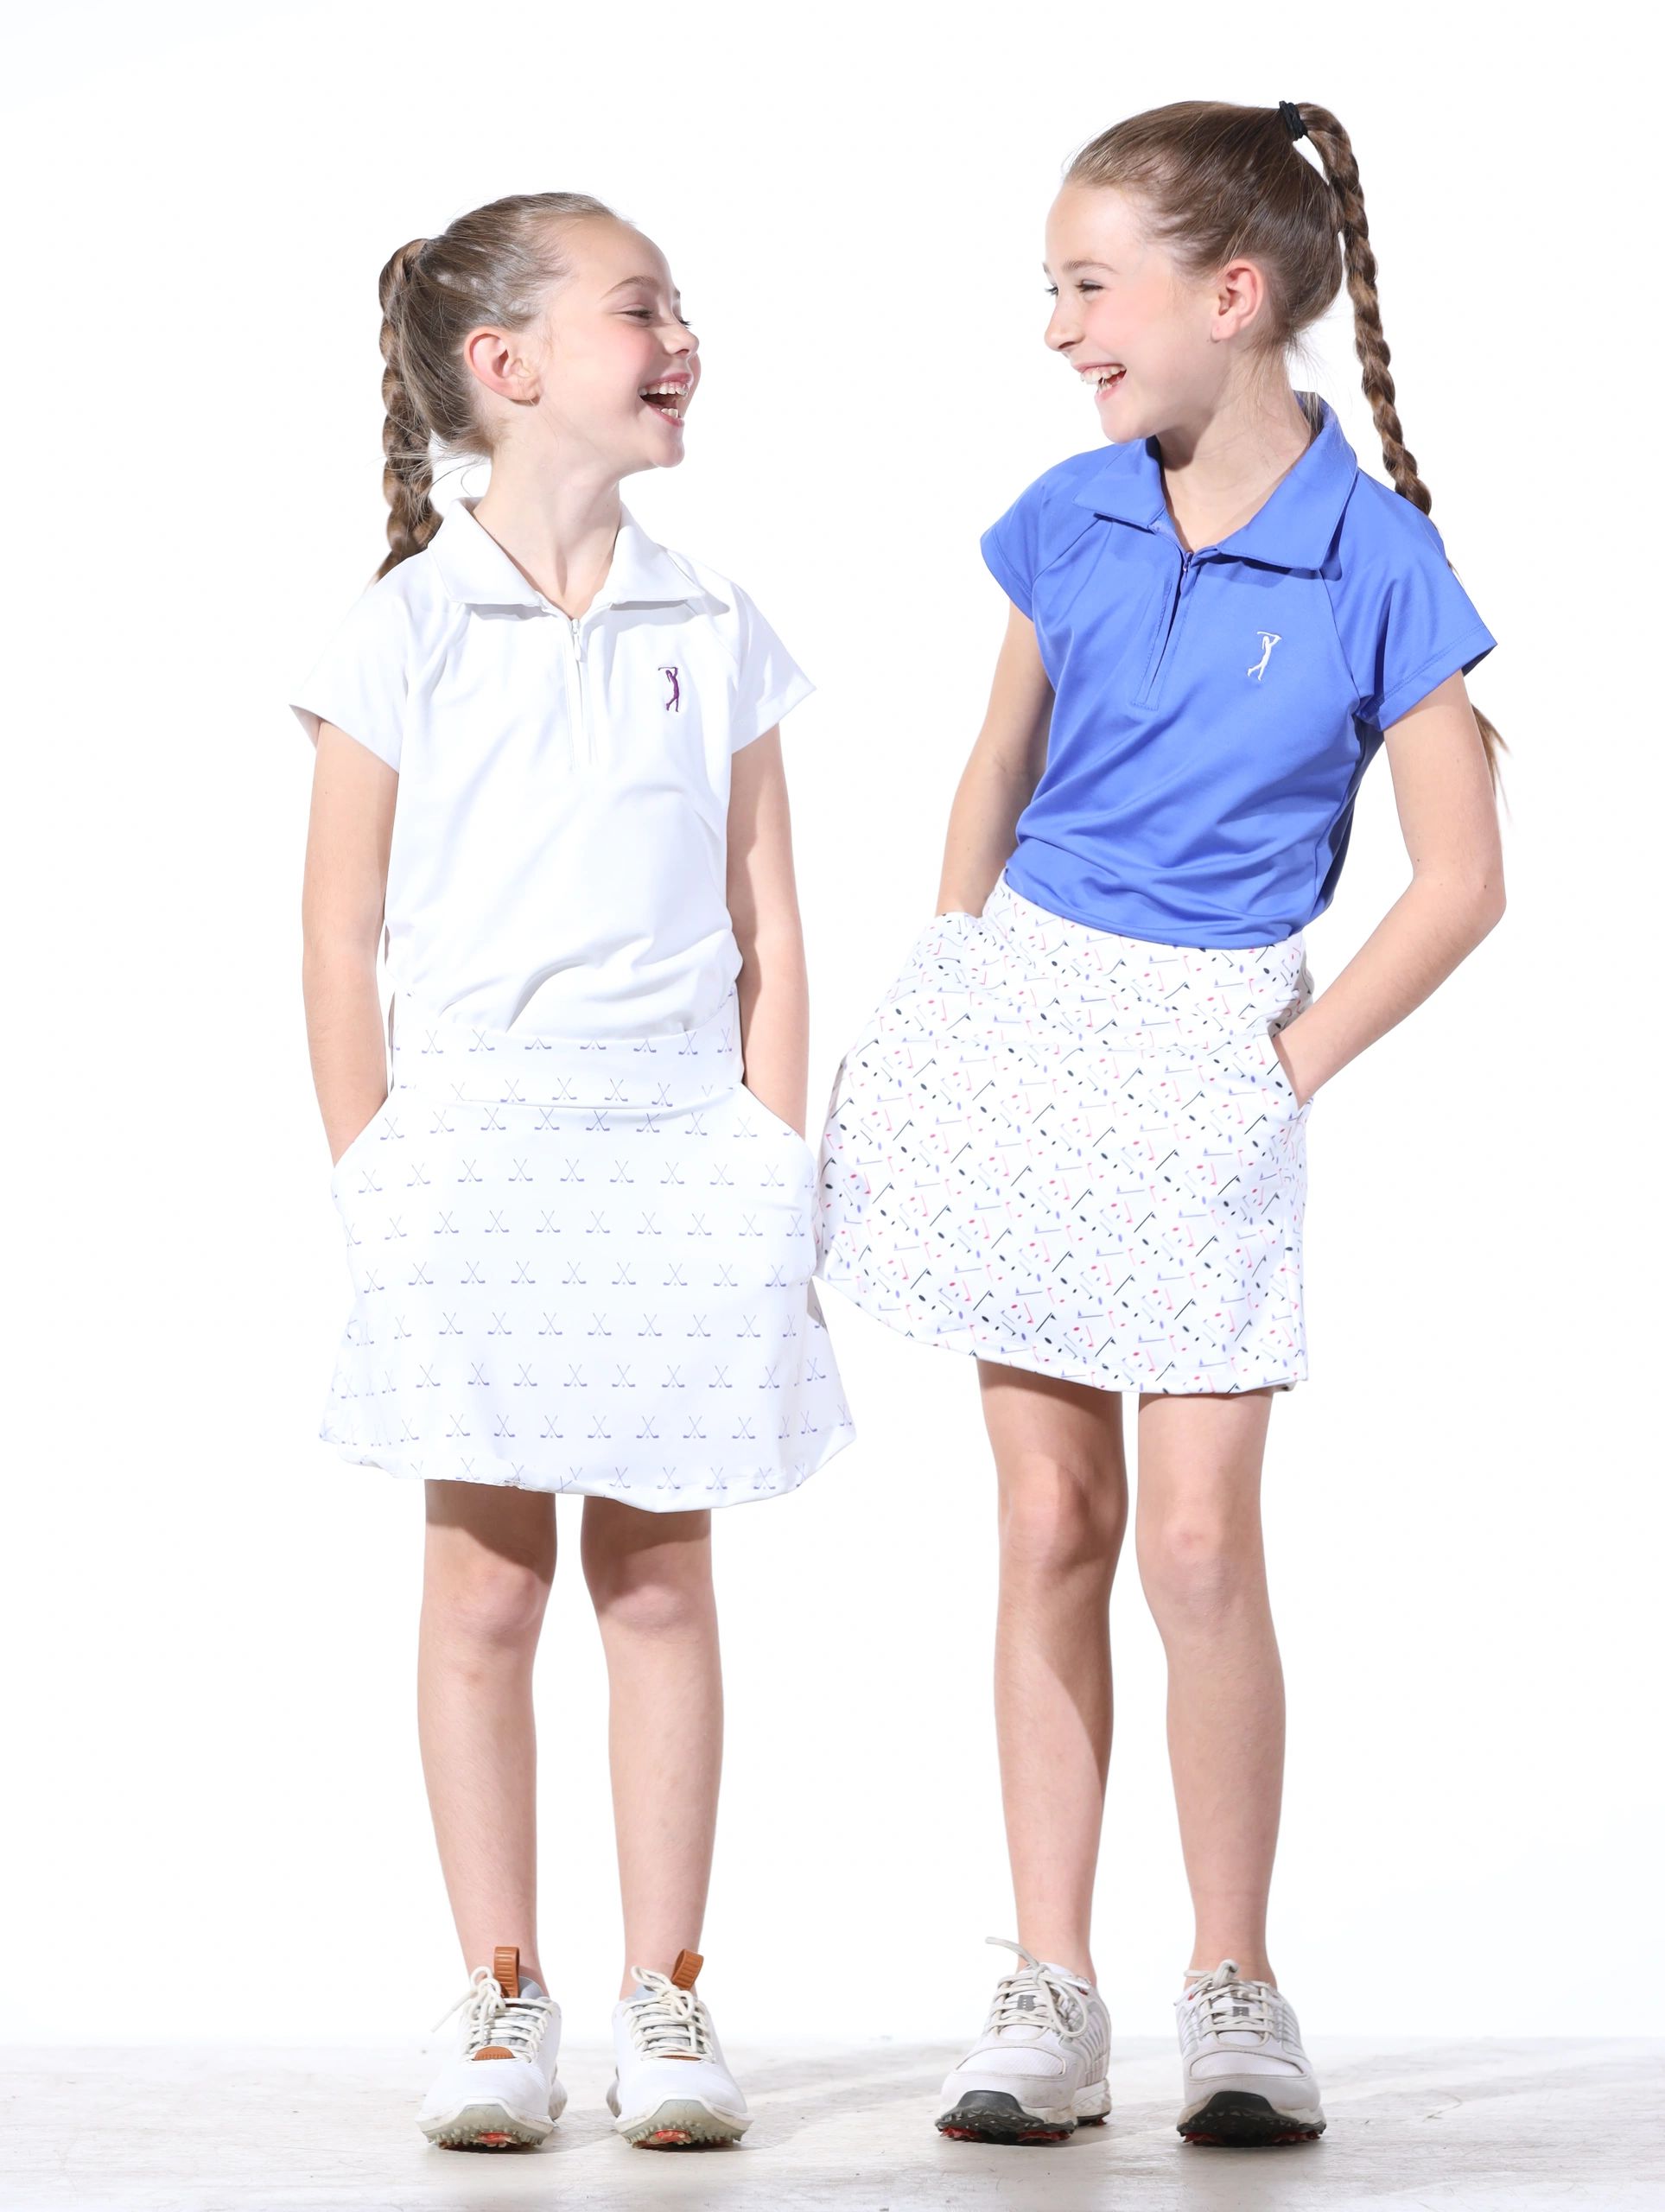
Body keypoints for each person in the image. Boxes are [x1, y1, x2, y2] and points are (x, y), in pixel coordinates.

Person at [816, 100, 1503, 2149]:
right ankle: (1048, 1981)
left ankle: (1233, 1978)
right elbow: (994, 758)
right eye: (1052, 287)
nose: (1057, 328)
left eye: (1087, 285)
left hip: (1209, 1043)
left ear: (1234, 293)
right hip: (1020, 1013)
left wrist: (1272, 1071)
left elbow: (1463, 878)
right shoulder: (1068, 511)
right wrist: (954, 966)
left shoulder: (1381, 560)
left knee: (1198, 1545)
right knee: (1052, 1521)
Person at [290, 190, 853, 2152]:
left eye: (680, 307)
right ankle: (502, 1987)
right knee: (482, 1588)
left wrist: (773, 1163)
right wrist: (376, 1181)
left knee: (662, 1581)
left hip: (682, 1143)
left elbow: (773, 923)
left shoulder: (719, 622)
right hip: (476, 1150)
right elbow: (335, 936)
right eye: (641, 309)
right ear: (506, 366)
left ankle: (667, 1994)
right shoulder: (402, 629)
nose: (680, 338)